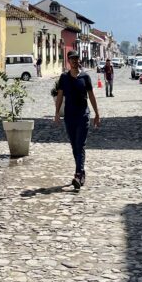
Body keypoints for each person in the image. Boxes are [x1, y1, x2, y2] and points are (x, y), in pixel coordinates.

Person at [54, 52, 100, 190]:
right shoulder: (64, 78)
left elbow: (91, 96)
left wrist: (97, 114)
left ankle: (78, 174)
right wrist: (56, 113)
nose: (74, 61)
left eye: (76, 59)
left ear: (78, 60)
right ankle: (81, 172)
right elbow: (60, 96)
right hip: (69, 117)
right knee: (74, 146)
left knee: (80, 145)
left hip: (83, 116)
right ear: (68, 61)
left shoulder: (85, 77)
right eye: (72, 59)